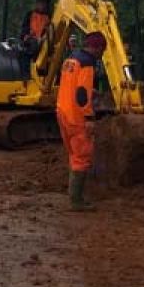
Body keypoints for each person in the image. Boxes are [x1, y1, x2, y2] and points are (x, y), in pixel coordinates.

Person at [57, 31, 106, 212]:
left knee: (73, 154)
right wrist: (88, 117)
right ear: (98, 48)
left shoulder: (71, 59)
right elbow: (81, 94)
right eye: (102, 51)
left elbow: (73, 87)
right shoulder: (87, 63)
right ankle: (76, 201)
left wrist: (91, 91)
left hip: (63, 112)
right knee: (82, 157)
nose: (102, 55)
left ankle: (73, 195)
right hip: (77, 118)